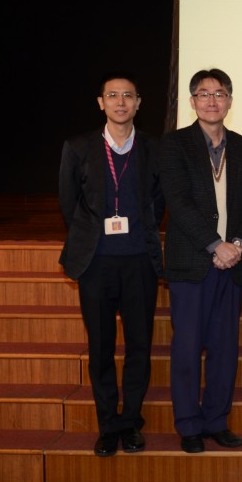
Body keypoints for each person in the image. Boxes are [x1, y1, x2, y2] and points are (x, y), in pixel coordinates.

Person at [58, 72, 164, 457]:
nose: (121, 102)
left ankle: (131, 422)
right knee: (101, 347)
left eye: (128, 96)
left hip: (139, 263)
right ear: (100, 102)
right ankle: (107, 425)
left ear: (139, 103)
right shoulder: (78, 147)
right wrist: (91, 239)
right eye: (113, 96)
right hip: (96, 264)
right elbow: (68, 204)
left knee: (139, 346)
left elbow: (158, 202)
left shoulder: (154, 148)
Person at [160, 68, 242, 454]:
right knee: (186, 348)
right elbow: (178, 202)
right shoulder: (174, 145)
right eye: (204, 94)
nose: (212, 101)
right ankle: (188, 425)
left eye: (219, 94)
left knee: (224, 348)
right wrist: (215, 245)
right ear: (192, 101)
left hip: (232, 264)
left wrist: (238, 244)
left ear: (229, 101)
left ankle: (217, 421)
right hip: (192, 263)